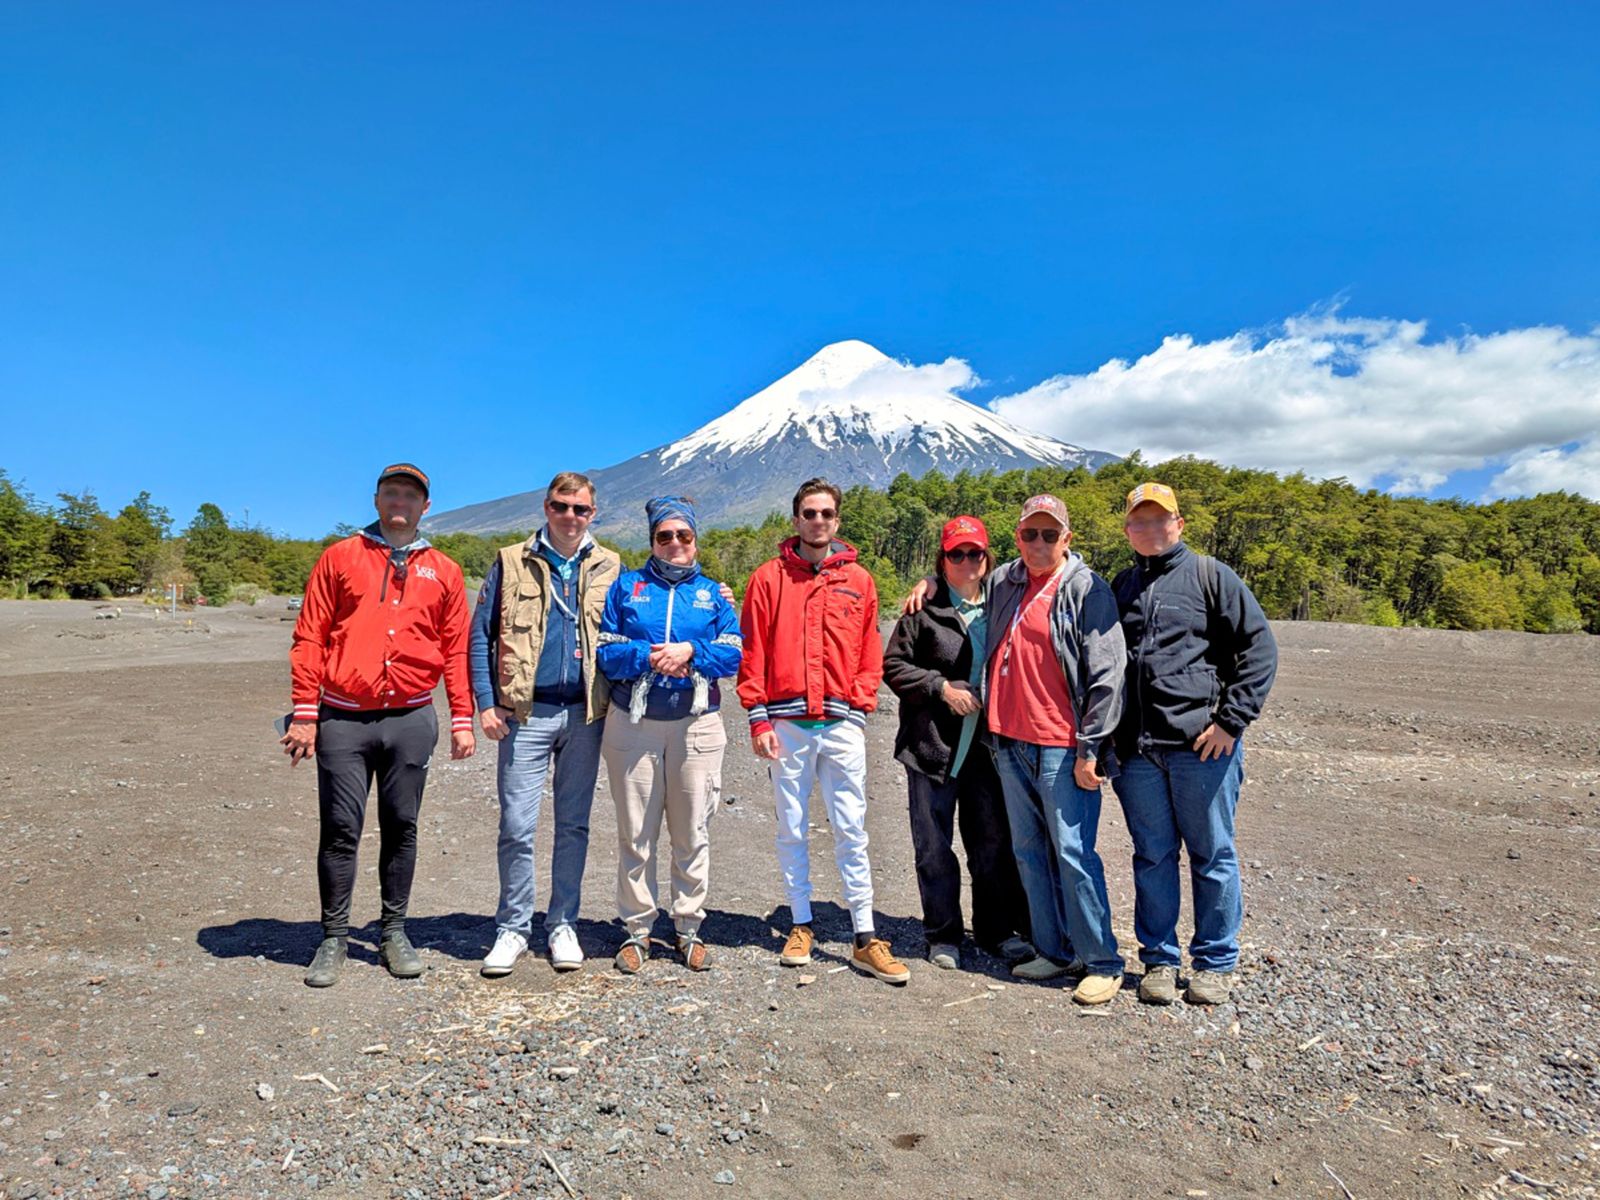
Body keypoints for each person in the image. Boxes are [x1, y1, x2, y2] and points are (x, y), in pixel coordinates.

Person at [283, 463, 476, 988]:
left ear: (425, 507)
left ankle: (393, 930)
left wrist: (463, 716)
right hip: (343, 716)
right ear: (376, 500)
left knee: (402, 826)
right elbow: (310, 637)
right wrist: (305, 713)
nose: (401, 502)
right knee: (341, 828)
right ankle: (334, 937)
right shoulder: (340, 557)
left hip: (411, 716)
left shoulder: (445, 570)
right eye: (392, 492)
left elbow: (456, 648)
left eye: (411, 496)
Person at [1110, 482, 1277, 1006]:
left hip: (1201, 748)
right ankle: (1159, 959)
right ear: (1128, 530)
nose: (1151, 529)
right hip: (1139, 752)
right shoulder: (1122, 584)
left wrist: (1231, 721)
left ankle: (1214, 961)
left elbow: (1259, 650)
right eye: (1140, 521)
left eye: (1161, 520)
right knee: (1153, 857)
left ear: (1179, 524)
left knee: (1212, 855)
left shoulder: (1211, 576)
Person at [737, 477, 909, 986]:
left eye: (826, 514)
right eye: (809, 513)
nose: (818, 521)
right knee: (791, 825)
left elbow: (868, 652)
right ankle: (801, 924)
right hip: (787, 723)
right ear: (796, 520)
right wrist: (758, 716)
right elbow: (754, 652)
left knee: (852, 827)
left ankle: (864, 935)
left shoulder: (860, 580)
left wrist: (859, 703)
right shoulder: (768, 579)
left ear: (837, 521)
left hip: (841, 724)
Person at [471, 472, 621, 977]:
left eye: (580, 509)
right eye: (561, 507)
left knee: (573, 825)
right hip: (525, 713)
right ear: (545, 507)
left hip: (586, 713)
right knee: (517, 826)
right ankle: (512, 928)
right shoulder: (511, 560)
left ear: (592, 514)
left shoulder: (610, 565)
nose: (570, 517)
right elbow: (480, 637)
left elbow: (637, 623)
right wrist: (486, 703)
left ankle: (562, 924)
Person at [982, 495, 1127, 1005]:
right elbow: (960, 587)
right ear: (1017, 536)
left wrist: (1092, 746)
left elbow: (1108, 673)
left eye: (1049, 535)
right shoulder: (1005, 580)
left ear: (1067, 539)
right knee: (1028, 853)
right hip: (1009, 739)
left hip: (1063, 747)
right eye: (1029, 534)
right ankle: (1054, 948)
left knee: (1073, 853)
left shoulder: (1086, 588)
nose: (1038, 544)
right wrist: (928, 583)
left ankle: (1103, 961)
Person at [595, 497, 743, 974]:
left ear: (696, 539)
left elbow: (734, 653)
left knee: (692, 830)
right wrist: (649, 656)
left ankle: (688, 926)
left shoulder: (714, 595)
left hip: (696, 724)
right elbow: (606, 651)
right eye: (665, 536)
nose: (675, 544)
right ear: (652, 540)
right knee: (635, 832)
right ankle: (637, 929)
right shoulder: (627, 587)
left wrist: (690, 653)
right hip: (633, 724)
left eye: (684, 535)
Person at [882, 516, 1031, 969]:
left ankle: (995, 932)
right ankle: (943, 934)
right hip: (932, 749)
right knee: (933, 848)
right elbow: (893, 666)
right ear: (942, 560)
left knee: (991, 846)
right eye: (956, 554)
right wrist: (940, 688)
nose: (967, 562)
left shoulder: (1006, 601)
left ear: (988, 558)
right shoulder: (922, 610)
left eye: (975, 553)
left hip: (989, 750)